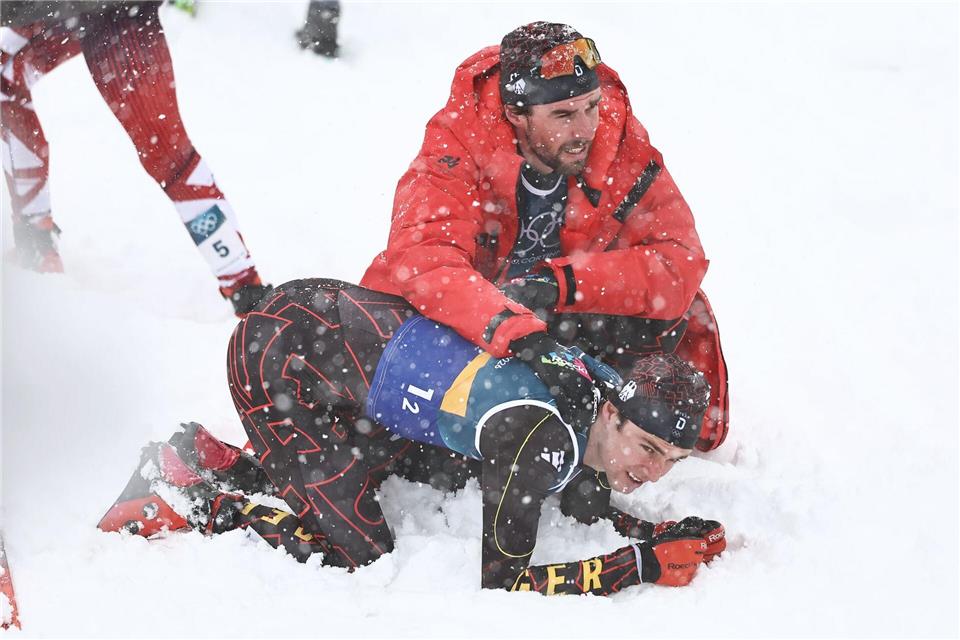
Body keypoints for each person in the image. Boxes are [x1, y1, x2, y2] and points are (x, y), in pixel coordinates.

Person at [100, 278, 726, 595]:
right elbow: (505, 586)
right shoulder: (538, 438)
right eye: (649, 450)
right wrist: (640, 565)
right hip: (283, 357)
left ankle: (210, 460)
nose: (654, 472)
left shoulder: (600, 387)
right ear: (611, 416)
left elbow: (581, 493)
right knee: (359, 557)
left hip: (331, 333)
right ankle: (188, 499)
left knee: (400, 471)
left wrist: (652, 531)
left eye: (672, 460)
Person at [360, 22, 729, 451]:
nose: (585, 129)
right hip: (474, 319)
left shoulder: (618, 140)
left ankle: (611, 429)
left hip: (557, 313)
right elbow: (426, 260)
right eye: (563, 115)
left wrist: (560, 283)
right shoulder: (459, 142)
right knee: (406, 441)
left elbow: (680, 258)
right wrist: (515, 330)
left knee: (670, 302)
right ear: (516, 113)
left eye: (591, 106)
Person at [0, 1, 270, 315]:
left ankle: (249, 294)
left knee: (167, 154)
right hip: (74, 11)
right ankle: (36, 245)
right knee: (4, 76)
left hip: (114, 14)